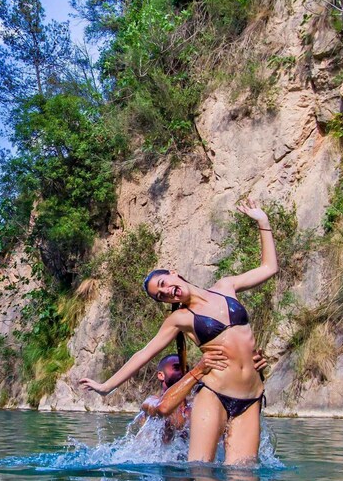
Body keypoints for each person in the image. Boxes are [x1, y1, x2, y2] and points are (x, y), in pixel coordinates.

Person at [81, 198, 277, 465]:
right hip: (215, 395)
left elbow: (269, 268)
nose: (166, 291)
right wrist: (106, 387)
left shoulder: (226, 286)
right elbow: (144, 353)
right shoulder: (181, 318)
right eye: (161, 296)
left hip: (251, 397)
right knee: (201, 474)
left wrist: (262, 222)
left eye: (163, 283)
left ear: (173, 273)